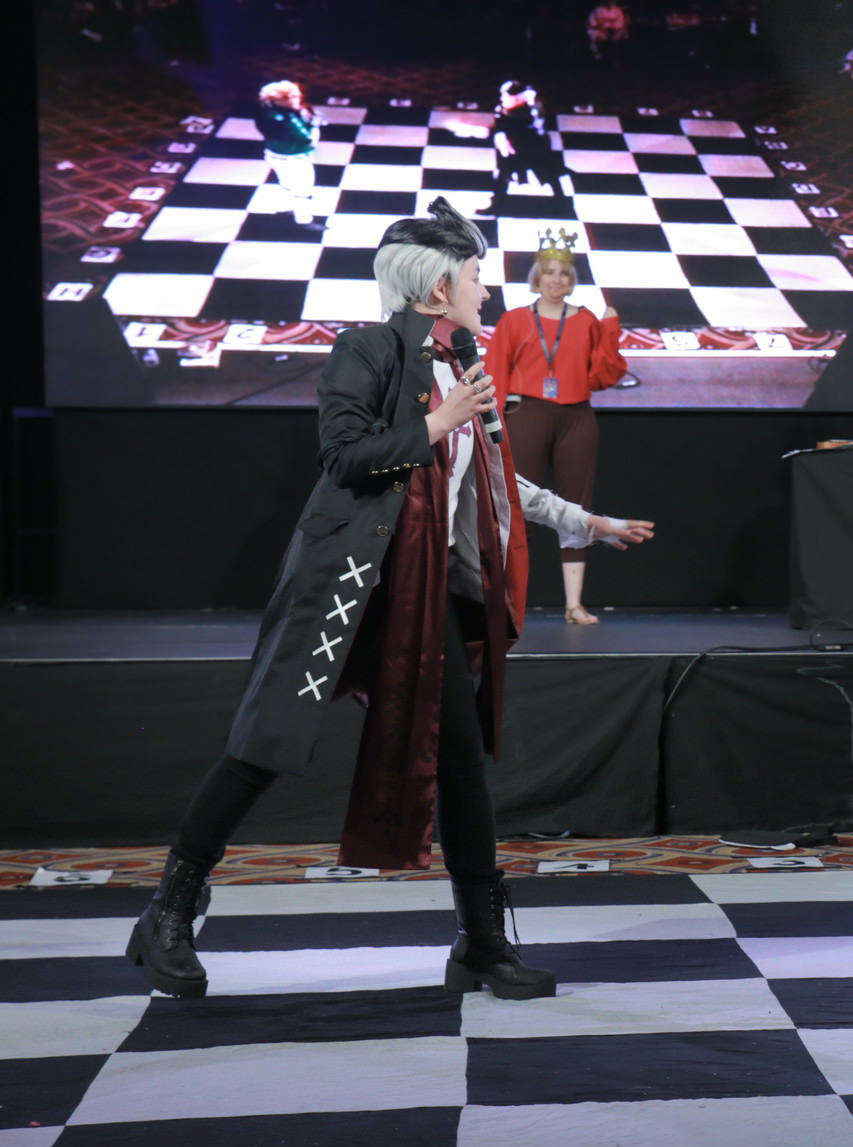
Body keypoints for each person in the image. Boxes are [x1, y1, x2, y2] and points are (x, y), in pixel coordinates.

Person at [125, 197, 654, 1003]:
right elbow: (343, 456)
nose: (486, 289)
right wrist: (439, 421)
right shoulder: (365, 350)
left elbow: (498, 479)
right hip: (348, 586)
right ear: (439, 288)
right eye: (475, 276)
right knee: (265, 744)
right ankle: (169, 910)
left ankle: (481, 944)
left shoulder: (465, 368)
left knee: (460, 764)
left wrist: (588, 521)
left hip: (424, 592)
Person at [486, 229, 637, 623]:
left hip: (576, 416)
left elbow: (604, 376)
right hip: (527, 415)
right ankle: (506, 602)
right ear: (537, 277)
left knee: (577, 506)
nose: (556, 280)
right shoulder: (515, 320)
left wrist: (610, 331)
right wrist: (490, 425)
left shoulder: (586, 321)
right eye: (549, 272)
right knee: (517, 505)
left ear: (572, 280)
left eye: (564, 273)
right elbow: (495, 373)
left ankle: (573, 604)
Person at [478, 80, 567, 215]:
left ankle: (562, 204)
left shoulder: (532, 110)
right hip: (514, 148)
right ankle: (497, 204)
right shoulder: (502, 109)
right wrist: (502, 137)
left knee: (549, 175)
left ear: (518, 97)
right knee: (502, 175)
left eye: (506, 96)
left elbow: (533, 127)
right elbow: (500, 125)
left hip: (534, 148)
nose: (502, 98)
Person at [254, 80, 323, 230]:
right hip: (295, 158)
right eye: (291, 97)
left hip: (273, 154)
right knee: (303, 189)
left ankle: (284, 208)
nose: (297, 100)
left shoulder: (265, 112)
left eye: (297, 96)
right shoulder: (288, 119)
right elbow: (308, 141)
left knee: (285, 183)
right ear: (278, 100)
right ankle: (304, 221)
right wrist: (314, 124)